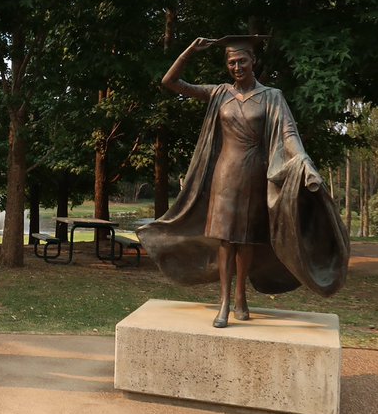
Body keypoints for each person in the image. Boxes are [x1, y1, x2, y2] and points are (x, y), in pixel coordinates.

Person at [140, 36, 349, 327]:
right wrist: (190, 51)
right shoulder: (219, 93)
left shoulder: (271, 96)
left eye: (242, 61)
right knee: (225, 240)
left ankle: (241, 297)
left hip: (254, 175)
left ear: (253, 61)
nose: (237, 67)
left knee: (247, 239)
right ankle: (224, 302)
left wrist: (303, 161)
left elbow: (289, 134)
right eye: (231, 63)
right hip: (224, 176)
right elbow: (171, 82)